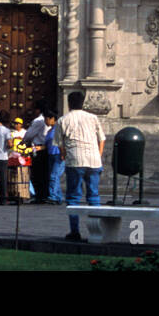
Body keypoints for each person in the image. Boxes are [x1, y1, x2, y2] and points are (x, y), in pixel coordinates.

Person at [57, 91, 106, 242]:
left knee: (73, 197)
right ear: (83, 103)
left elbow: (60, 144)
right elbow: (102, 139)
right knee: (94, 196)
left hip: (75, 160)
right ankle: (97, 231)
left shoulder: (63, 120)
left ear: (69, 103)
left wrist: (64, 155)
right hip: (93, 160)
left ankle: (75, 231)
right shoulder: (93, 118)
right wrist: (98, 154)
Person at [23, 107, 49, 202]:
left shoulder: (38, 120)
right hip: (46, 148)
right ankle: (44, 194)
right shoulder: (47, 120)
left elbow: (29, 134)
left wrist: (23, 142)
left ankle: (39, 195)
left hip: (38, 149)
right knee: (44, 173)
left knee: (37, 173)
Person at [7, 116, 32, 202]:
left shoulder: (25, 132)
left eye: (18, 124)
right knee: (14, 174)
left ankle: (25, 192)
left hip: (23, 155)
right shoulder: (11, 132)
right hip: (13, 155)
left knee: (23, 174)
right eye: (15, 123)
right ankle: (13, 192)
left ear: (21, 125)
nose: (16, 125)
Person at [44, 111, 64, 204]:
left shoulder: (59, 128)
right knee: (55, 176)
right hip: (51, 154)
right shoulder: (50, 130)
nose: (45, 121)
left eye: (47, 119)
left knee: (54, 176)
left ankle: (53, 196)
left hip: (59, 154)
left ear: (52, 119)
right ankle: (58, 196)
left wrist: (63, 153)